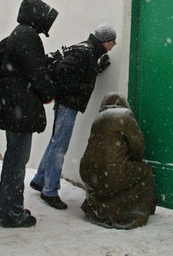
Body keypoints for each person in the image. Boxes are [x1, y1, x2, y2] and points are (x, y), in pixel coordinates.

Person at [29, 23, 116, 210]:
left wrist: (95, 69)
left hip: (68, 103)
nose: (115, 44)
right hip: (68, 104)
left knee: (56, 141)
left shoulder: (89, 51)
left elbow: (78, 71)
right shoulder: (85, 53)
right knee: (60, 146)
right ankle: (49, 191)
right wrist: (72, 93)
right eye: (113, 40)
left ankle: (39, 179)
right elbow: (63, 71)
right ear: (105, 41)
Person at [0, 0, 59, 228]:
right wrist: (48, 92)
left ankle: (8, 208)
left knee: (14, 158)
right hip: (20, 106)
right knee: (17, 160)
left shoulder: (19, 33)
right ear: (36, 15)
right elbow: (36, 71)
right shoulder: (28, 35)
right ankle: (11, 212)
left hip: (13, 105)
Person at [79, 92, 155, 229]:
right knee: (145, 171)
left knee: (109, 181)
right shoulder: (125, 115)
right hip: (111, 171)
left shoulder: (98, 118)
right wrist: (134, 158)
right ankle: (135, 212)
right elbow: (138, 146)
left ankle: (102, 209)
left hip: (88, 173)